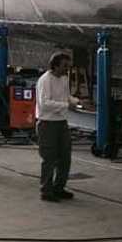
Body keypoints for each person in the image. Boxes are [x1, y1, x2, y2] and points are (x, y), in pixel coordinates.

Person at [36, 51, 75, 202]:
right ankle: (46, 191)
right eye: (65, 66)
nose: (67, 69)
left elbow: (66, 96)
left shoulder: (64, 78)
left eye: (68, 66)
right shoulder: (45, 80)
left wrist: (76, 101)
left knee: (65, 157)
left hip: (61, 122)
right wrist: (66, 105)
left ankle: (59, 187)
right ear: (56, 65)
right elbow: (44, 103)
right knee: (49, 158)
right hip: (47, 123)